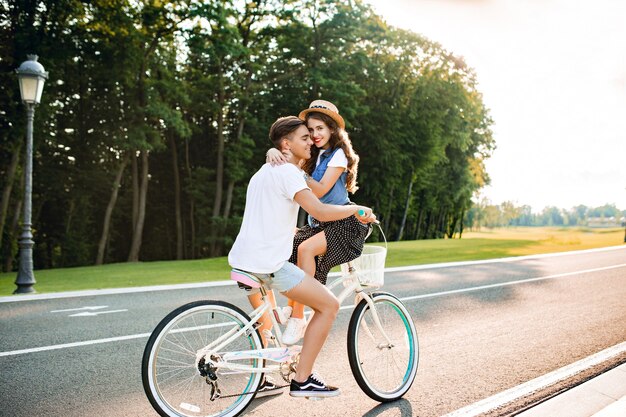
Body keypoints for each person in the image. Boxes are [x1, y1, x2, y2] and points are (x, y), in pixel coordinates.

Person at [228, 115, 376, 398]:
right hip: (268, 264)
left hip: (243, 260)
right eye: (304, 138)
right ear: (287, 143)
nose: (311, 142)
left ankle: (259, 379)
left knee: (266, 323)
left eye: (312, 136)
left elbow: (273, 217)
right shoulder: (289, 173)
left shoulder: (263, 171)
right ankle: (303, 379)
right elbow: (319, 211)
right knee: (329, 306)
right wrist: (356, 209)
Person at [266, 100, 370, 345]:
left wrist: (299, 172)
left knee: (306, 249)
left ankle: (298, 316)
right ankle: (293, 307)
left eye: (320, 128)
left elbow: (321, 191)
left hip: (341, 220)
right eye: (310, 130)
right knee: (291, 249)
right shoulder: (312, 154)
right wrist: (272, 152)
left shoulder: (338, 156)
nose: (314, 135)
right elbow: (284, 153)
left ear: (332, 130)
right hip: (319, 222)